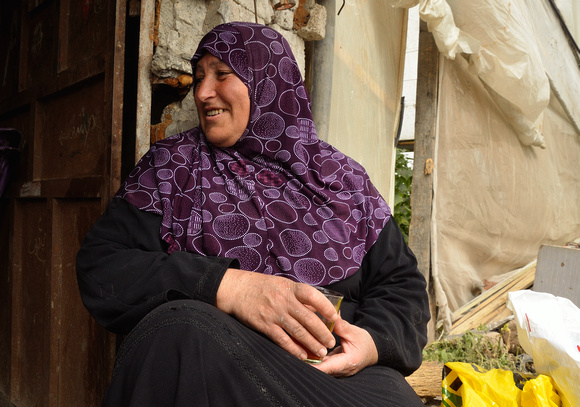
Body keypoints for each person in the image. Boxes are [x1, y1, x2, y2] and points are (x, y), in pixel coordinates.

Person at [77, 21, 430, 406]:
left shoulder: (343, 179)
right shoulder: (171, 170)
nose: (203, 92)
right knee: (181, 331)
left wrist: (372, 342)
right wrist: (228, 287)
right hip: (223, 366)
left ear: (269, 82)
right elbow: (103, 266)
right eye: (198, 78)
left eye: (222, 74)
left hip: (332, 377)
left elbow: (403, 288)